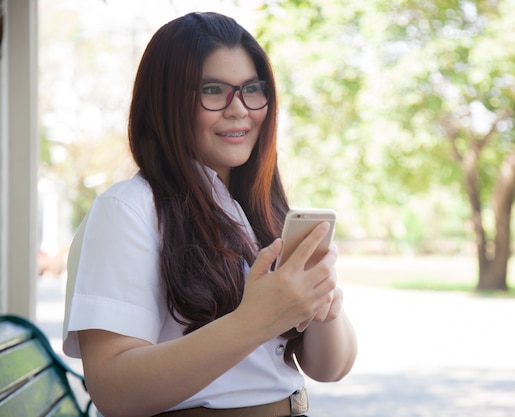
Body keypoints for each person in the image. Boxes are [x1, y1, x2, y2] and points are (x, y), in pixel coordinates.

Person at [62, 11, 357, 417]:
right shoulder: (128, 209)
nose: (239, 109)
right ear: (166, 101)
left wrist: (323, 300)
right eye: (213, 90)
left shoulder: (259, 210)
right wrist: (256, 319)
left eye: (252, 89)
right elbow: (113, 390)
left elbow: (331, 368)